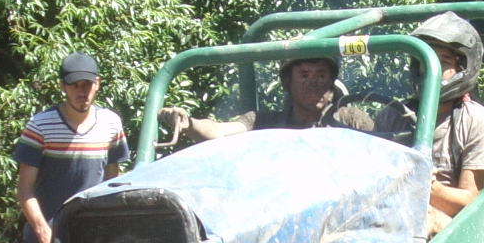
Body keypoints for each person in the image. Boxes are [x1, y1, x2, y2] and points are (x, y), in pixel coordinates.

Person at [14, 52, 131, 243]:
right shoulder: (40, 126)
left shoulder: (111, 124)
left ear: (97, 84)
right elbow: (25, 189)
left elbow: (111, 183)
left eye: (87, 84)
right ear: (62, 87)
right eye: (74, 85)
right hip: (48, 238)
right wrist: (43, 232)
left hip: (93, 239)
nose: (81, 91)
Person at [373, 12, 484, 236]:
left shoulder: (479, 121)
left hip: (457, 231)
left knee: (424, 218)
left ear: (463, 68)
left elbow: (471, 204)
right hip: (391, 217)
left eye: (443, 62)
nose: (431, 70)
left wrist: (425, 185)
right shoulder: (391, 116)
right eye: (425, 61)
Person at [157, 56, 371, 144]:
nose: (313, 83)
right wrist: (189, 123)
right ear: (288, 82)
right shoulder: (263, 122)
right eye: (304, 75)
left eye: (321, 75)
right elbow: (218, 131)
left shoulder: (352, 120)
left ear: (331, 83)